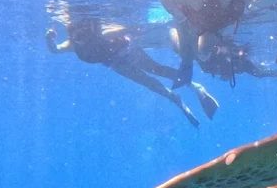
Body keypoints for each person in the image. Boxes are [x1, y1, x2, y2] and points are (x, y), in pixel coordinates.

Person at [46, 14, 218, 127]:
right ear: (72, 36)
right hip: (117, 64)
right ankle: (179, 102)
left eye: (84, 35)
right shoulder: (73, 45)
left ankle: (196, 87)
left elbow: (131, 28)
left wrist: (143, 27)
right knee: (151, 84)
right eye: (77, 37)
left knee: (159, 70)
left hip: (129, 52)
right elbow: (55, 50)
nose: (82, 39)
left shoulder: (105, 34)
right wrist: (49, 39)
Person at [160, 0, 250, 87]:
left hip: (212, 26)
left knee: (202, 53)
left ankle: (196, 59)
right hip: (190, 22)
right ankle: (184, 55)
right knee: (186, 54)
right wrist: (182, 19)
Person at [196, 31, 277, 100]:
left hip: (243, 64)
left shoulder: (221, 52)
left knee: (259, 73)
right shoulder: (201, 59)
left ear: (212, 50)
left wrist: (226, 75)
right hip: (238, 66)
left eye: (204, 53)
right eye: (200, 54)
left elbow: (227, 66)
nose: (202, 57)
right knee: (259, 72)